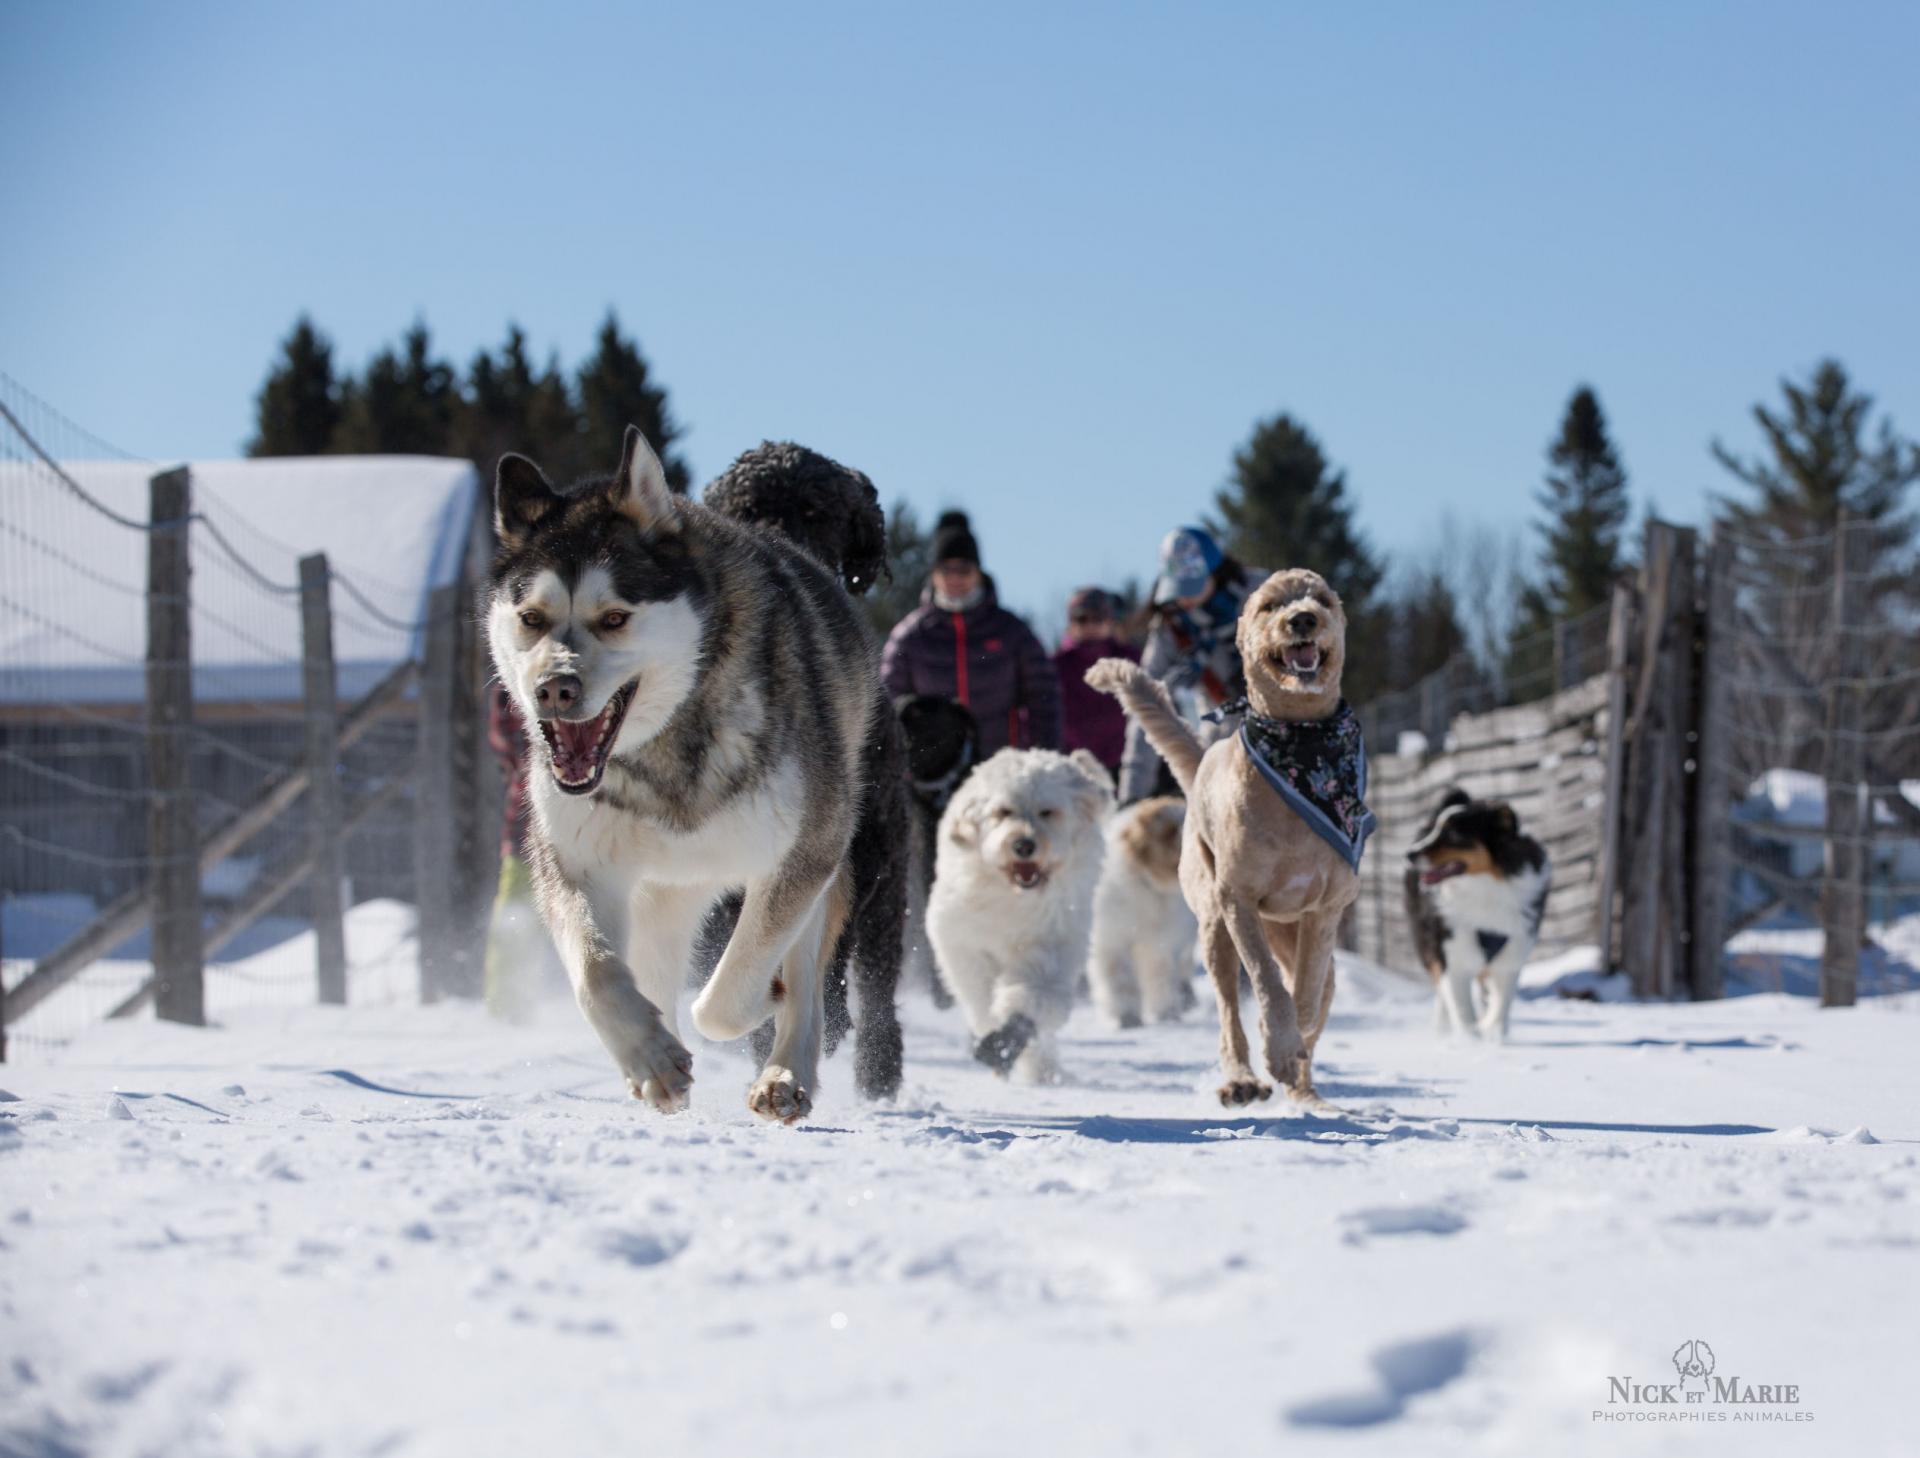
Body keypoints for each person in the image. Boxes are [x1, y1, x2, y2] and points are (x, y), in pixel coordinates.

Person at [882, 510, 1060, 757]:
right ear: (934, 574)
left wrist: (1044, 756)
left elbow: (1044, 698)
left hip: (1000, 767)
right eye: (946, 570)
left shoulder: (1011, 631)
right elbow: (889, 703)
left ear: (978, 571)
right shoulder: (910, 636)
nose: (955, 577)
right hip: (932, 776)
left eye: (964, 569)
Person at [1117, 525, 1269, 804]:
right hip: (1222, 740)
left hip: (1283, 732)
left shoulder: (1264, 595)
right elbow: (1146, 705)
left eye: (1193, 586)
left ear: (1216, 572)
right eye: (1178, 588)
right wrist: (1132, 795)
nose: (1184, 597)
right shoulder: (1172, 629)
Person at [1051, 586, 1140, 782]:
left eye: (1098, 618)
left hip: (1127, 764)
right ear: (1071, 622)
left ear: (1110, 620)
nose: (1090, 625)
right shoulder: (1056, 666)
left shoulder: (1130, 660)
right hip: (1074, 768)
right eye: (1082, 618)